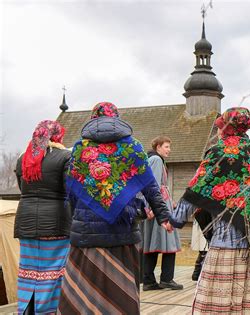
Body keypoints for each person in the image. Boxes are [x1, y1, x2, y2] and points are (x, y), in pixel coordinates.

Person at [169, 107, 250, 314]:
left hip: (227, 244)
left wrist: (175, 219)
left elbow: (196, 187)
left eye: (220, 127)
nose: (218, 132)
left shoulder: (219, 151)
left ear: (226, 128)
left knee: (222, 306)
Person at [58, 102, 172, 314]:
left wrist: (75, 219)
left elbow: (71, 192)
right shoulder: (133, 147)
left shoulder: (80, 149)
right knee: (120, 295)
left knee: (83, 293)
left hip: (86, 234)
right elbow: (151, 187)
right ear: (118, 118)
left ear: (93, 119)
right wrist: (163, 215)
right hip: (123, 231)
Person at [14, 120, 71, 315]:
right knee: (52, 274)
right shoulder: (65, 157)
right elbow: (69, 190)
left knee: (28, 273)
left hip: (25, 222)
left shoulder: (23, 158)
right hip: (56, 224)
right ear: (58, 135)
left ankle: (25, 310)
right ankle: (47, 311)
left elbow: (23, 189)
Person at [142, 136, 183, 290]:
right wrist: (152, 208)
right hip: (159, 208)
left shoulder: (153, 160)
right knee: (169, 240)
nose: (169, 150)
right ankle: (166, 278)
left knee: (154, 242)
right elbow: (153, 185)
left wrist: (170, 200)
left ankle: (148, 280)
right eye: (166, 146)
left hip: (160, 205)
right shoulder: (156, 160)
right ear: (158, 147)